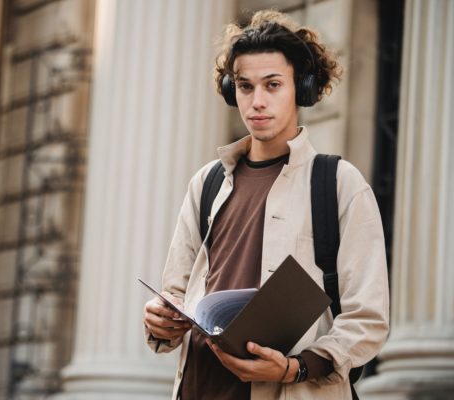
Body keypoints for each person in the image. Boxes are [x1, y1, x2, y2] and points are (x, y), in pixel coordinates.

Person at [142, 9, 390, 400]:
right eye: (245, 86)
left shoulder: (340, 184)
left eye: (273, 85)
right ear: (231, 90)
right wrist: (161, 318)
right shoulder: (205, 183)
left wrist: (294, 368)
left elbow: (367, 319)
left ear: (302, 89)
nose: (257, 101)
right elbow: (175, 293)